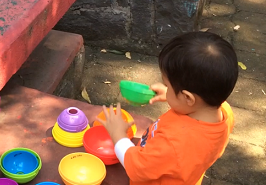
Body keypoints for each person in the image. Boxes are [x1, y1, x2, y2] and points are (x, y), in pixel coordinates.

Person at [97, 31, 238, 185]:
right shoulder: (224, 111)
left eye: (168, 85)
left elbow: (137, 169)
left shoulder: (174, 143)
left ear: (188, 98)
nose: (166, 88)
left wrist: (118, 134)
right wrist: (170, 95)